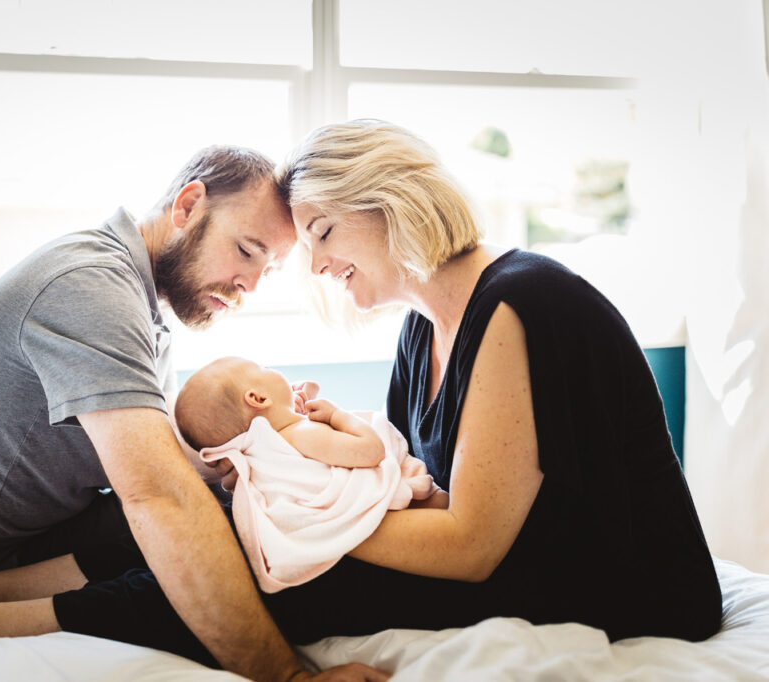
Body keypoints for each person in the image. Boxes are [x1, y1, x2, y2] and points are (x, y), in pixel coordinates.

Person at [0, 145, 387, 682]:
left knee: (237, 512)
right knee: (195, 535)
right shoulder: (91, 287)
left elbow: (164, 458)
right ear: (188, 206)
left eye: (270, 269)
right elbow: (158, 496)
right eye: (246, 251)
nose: (251, 285)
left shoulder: (137, 300)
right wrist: (284, 675)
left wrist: (273, 449)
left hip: (21, 534)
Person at [239, 117, 720, 644]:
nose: (319, 268)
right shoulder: (419, 333)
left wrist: (303, 527)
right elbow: (414, 495)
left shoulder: (523, 301)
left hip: (630, 596)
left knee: (281, 585)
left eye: (323, 233)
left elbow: (470, 545)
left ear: (390, 202)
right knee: (247, 549)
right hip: (522, 571)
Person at [174, 356, 446, 591]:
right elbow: (371, 451)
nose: (273, 369)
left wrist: (292, 402)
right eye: (263, 367)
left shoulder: (263, 453)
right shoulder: (302, 434)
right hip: (393, 503)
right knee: (442, 504)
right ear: (257, 398)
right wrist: (337, 415)